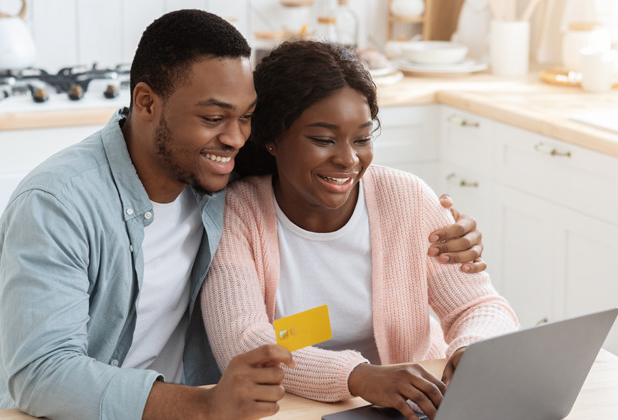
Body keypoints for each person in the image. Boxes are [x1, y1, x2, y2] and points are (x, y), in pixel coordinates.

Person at [0, 9, 485, 420]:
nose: (234, 138)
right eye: (212, 118)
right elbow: (42, 374)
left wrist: (438, 225)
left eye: (244, 117)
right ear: (146, 103)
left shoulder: (218, 187)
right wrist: (204, 404)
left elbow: (321, 174)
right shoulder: (57, 204)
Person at [200, 40, 519, 420]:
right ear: (272, 138)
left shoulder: (406, 198)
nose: (349, 159)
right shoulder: (237, 214)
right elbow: (243, 341)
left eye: (363, 138)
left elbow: (479, 305)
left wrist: (471, 350)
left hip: (414, 409)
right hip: (293, 411)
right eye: (323, 139)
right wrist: (359, 378)